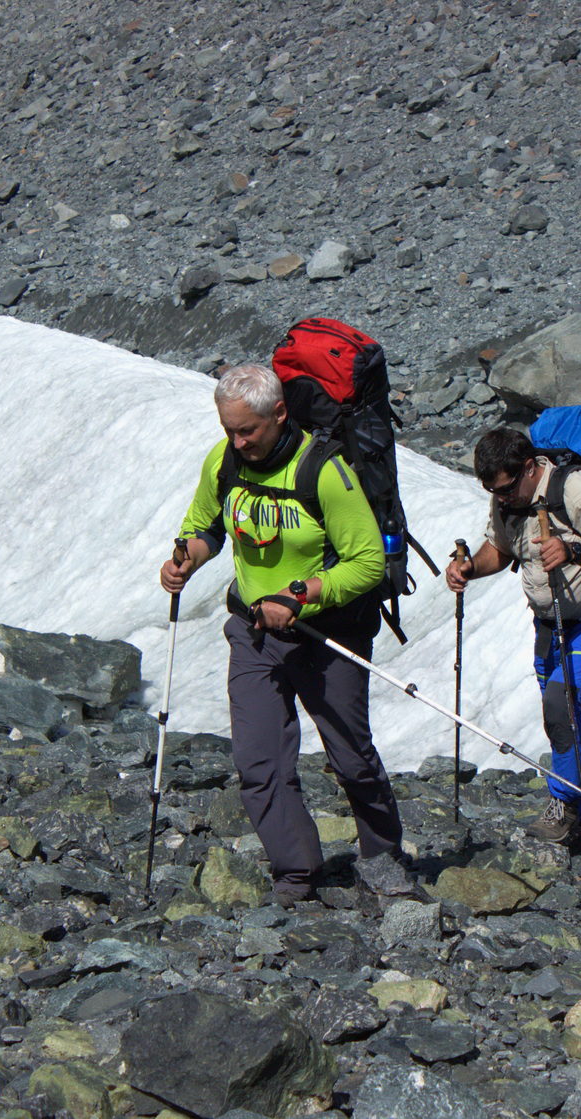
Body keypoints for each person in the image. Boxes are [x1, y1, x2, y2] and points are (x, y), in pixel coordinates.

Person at [159, 363, 412, 905]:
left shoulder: (324, 472)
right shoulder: (223, 460)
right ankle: (296, 873)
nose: (238, 440)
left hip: (328, 639)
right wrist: (186, 560)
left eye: (247, 429)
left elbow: (366, 562)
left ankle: (385, 858)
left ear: (279, 414)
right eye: (229, 429)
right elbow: (204, 527)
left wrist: (298, 595)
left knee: (350, 757)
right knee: (258, 760)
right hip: (252, 632)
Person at [444, 426, 581, 853]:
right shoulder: (507, 499)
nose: (500, 497)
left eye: (506, 488)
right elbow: (500, 548)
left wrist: (574, 552)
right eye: (491, 489)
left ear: (530, 467)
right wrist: (469, 569)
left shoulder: (579, 493)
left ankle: (564, 805)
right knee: (565, 715)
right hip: (550, 623)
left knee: (560, 703)